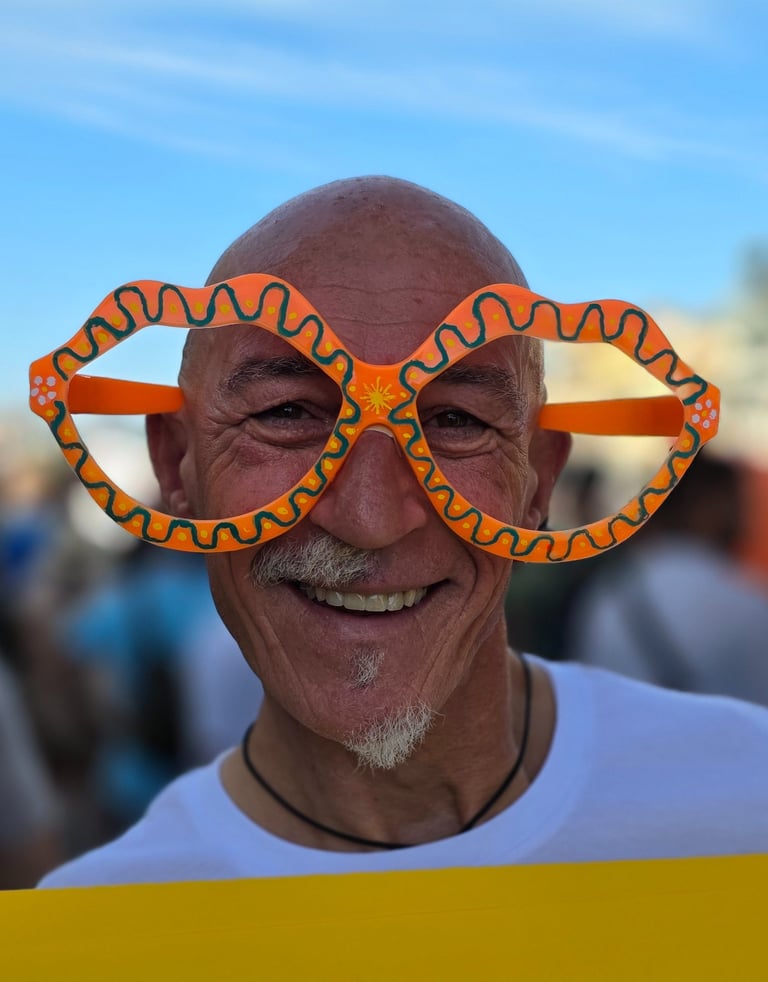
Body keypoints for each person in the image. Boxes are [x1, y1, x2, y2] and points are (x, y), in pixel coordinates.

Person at [39, 176, 768, 887]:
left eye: (455, 421)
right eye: (287, 413)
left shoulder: (746, 802)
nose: (371, 520)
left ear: (537, 483)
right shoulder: (98, 927)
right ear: (177, 463)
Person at [565, 452, 768, 701]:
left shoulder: (607, 592)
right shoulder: (745, 600)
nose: (743, 517)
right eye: (736, 502)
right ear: (709, 506)